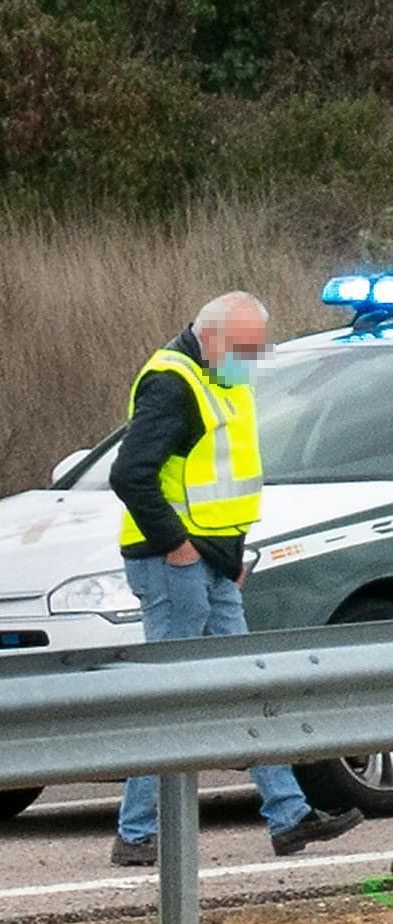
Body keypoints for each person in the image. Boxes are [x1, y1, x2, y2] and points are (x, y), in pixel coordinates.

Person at [110, 291, 364, 866]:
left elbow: (226, 485)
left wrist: (229, 558)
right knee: (172, 698)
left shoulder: (222, 383)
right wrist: (177, 548)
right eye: (246, 348)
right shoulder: (174, 383)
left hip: (214, 563)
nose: (253, 359)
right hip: (174, 563)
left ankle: (289, 816)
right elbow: (131, 474)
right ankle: (137, 830)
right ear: (214, 337)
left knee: (250, 685)